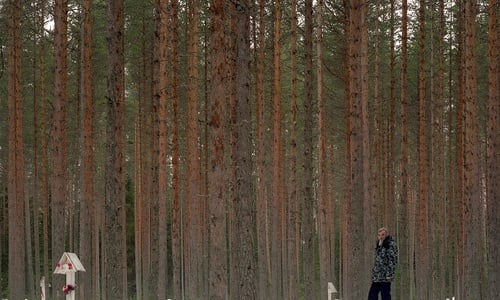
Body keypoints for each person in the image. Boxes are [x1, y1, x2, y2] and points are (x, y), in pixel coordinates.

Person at [368, 227, 398, 300]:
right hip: (377, 276)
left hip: (385, 276)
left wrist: (389, 273)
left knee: (385, 295)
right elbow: (378, 260)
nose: (380, 237)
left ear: (386, 235)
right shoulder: (379, 244)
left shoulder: (390, 244)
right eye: (379, 235)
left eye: (382, 235)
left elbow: (393, 260)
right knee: (372, 295)